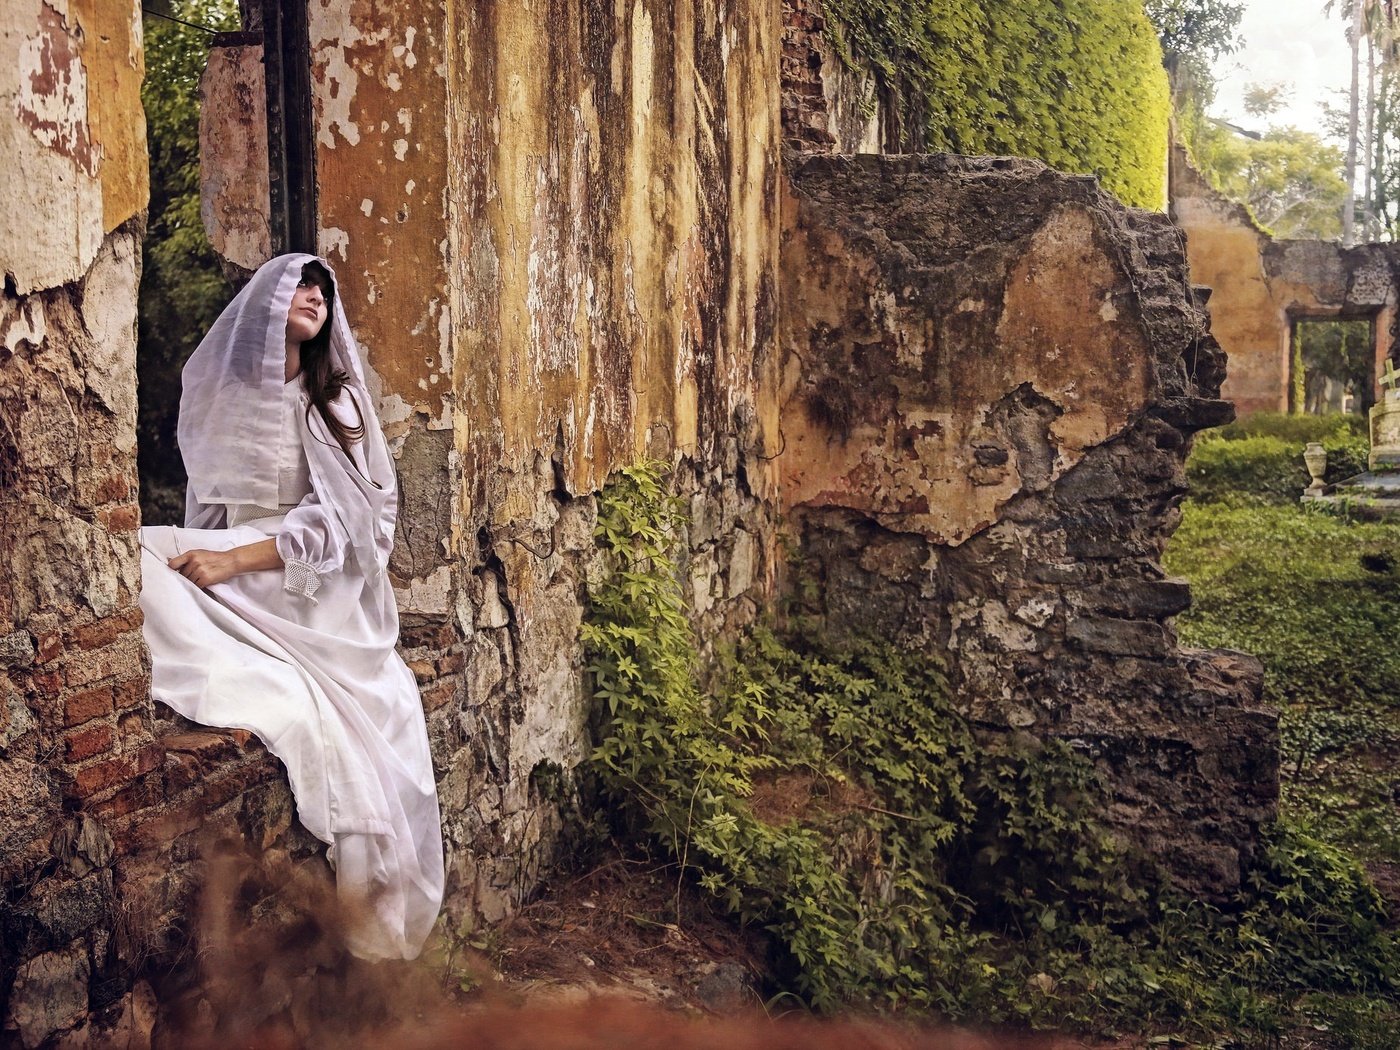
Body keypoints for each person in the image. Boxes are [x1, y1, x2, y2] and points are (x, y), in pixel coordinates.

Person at [137, 253, 444, 960]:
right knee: (140, 552)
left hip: (306, 578)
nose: (314, 295)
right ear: (267, 304)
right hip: (237, 554)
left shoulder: (333, 399)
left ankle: (257, 648)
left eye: (324, 290)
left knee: (171, 561)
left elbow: (351, 521)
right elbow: (209, 509)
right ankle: (233, 652)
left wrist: (232, 561)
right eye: (302, 284)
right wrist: (208, 552)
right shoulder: (230, 395)